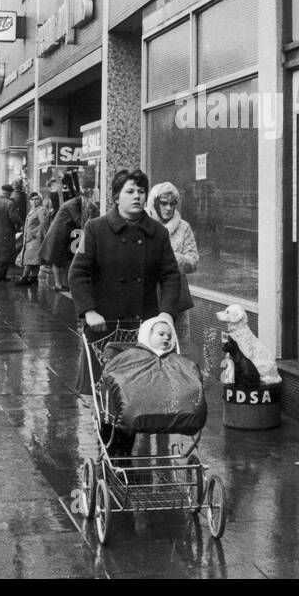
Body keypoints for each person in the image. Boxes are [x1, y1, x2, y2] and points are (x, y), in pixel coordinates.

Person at [69, 168, 182, 453]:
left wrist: (166, 313)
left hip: (141, 327)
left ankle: (121, 455)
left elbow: (170, 276)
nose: (137, 196)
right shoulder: (95, 228)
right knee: (107, 394)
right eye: (130, 191)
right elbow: (78, 274)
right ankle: (110, 453)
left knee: (134, 395)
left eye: (141, 191)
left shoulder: (157, 233)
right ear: (116, 195)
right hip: (104, 327)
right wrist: (89, 310)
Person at [146, 181, 199, 352]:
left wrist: (171, 258)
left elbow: (193, 261)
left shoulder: (184, 227)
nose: (168, 208)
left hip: (176, 296)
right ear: (154, 202)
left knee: (178, 346)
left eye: (173, 203)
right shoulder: (144, 225)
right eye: (163, 203)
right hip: (148, 294)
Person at [44, 174, 95, 292]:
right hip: (59, 233)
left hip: (66, 233)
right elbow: (78, 220)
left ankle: (63, 283)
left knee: (67, 258)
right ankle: (58, 284)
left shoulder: (71, 201)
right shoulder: (71, 204)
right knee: (58, 259)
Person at [0, 183, 23, 282]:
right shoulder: (9, 204)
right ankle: (1, 277)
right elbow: (15, 218)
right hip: (7, 233)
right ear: (10, 193)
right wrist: (18, 226)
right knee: (5, 256)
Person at [16, 192, 50, 285]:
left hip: (36, 239)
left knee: (29, 260)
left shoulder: (42, 210)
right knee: (35, 260)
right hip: (30, 239)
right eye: (32, 199)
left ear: (40, 199)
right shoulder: (33, 210)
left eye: (36, 199)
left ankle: (24, 278)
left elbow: (44, 224)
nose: (34, 201)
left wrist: (43, 236)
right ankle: (34, 279)